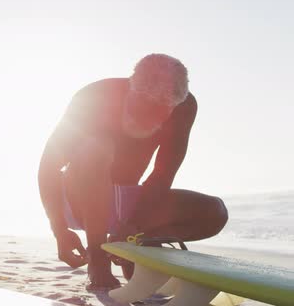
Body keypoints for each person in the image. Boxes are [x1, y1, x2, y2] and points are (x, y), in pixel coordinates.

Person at [37, 54, 228, 289]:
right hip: (78, 197)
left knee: (215, 212)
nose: (149, 121)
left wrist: (135, 225)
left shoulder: (184, 107)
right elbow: (48, 167)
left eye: (159, 115)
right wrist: (58, 229)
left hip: (129, 202)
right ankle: (98, 260)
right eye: (144, 110)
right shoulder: (94, 97)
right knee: (97, 148)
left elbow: (163, 173)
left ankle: (135, 247)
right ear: (131, 88)